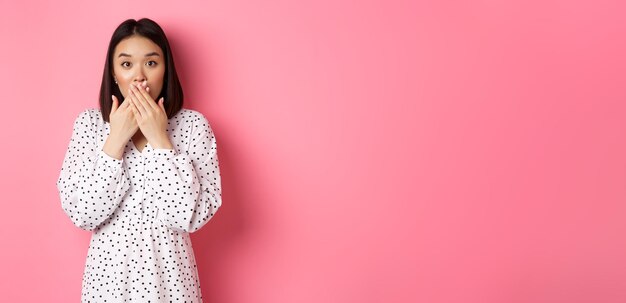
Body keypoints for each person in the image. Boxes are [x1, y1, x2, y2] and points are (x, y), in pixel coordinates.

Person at [55, 18, 222, 302]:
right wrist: (115, 141)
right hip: (106, 289)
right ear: (114, 72)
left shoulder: (193, 126)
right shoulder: (90, 125)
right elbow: (82, 214)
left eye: (151, 63)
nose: (139, 77)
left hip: (172, 287)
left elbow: (190, 216)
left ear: (166, 70)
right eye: (127, 64)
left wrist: (160, 141)